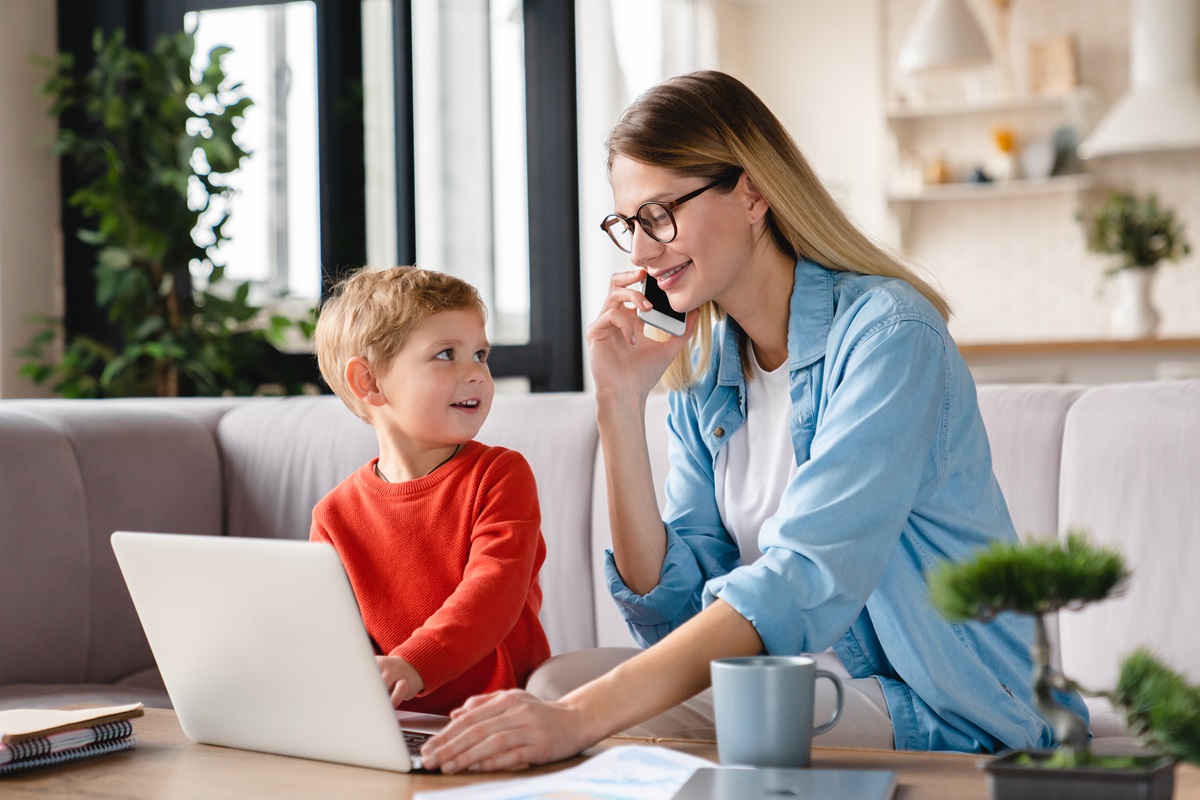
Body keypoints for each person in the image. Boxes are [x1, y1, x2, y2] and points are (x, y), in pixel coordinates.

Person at [420, 70, 1086, 773]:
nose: (643, 252)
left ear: (752, 192)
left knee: (575, 707)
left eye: (660, 215)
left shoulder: (890, 335)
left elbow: (807, 573)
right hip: (789, 685)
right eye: (629, 226)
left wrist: (575, 720)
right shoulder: (707, 368)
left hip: (939, 699)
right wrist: (619, 403)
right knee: (559, 684)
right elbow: (674, 608)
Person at [310, 266, 551, 715]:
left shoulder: (501, 475)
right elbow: (335, 636)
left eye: (480, 354)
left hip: (501, 714)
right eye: (446, 354)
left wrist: (411, 664)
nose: (476, 373)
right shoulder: (333, 516)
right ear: (370, 382)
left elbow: (491, 593)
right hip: (393, 722)